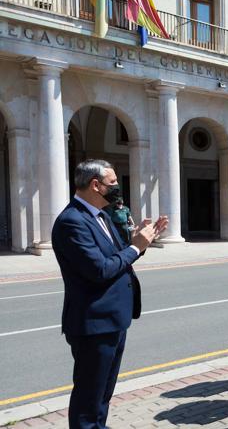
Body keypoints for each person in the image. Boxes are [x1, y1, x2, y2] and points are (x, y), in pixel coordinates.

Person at [52, 159, 167, 429]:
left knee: (102, 395)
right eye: (112, 183)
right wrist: (136, 247)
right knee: (88, 400)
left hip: (114, 319)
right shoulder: (72, 222)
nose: (117, 187)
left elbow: (118, 257)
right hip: (94, 323)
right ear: (95, 185)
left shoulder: (101, 215)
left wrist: (140, 240)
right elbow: (100, 270)